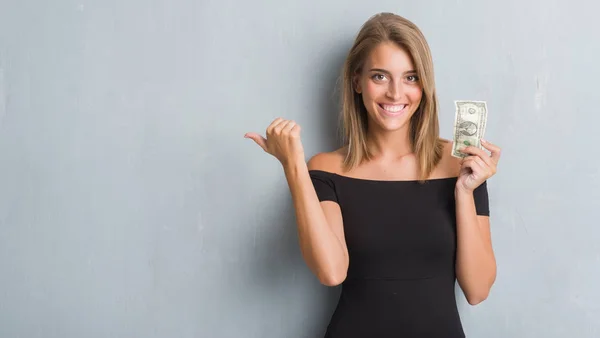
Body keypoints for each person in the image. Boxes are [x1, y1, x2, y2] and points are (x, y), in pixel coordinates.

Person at [244, 12, 501, 338]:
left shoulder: (461, 164)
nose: (396, 93)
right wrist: (293, 166)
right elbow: (331, 271)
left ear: (424, 85)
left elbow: (478, 290)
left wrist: (465, 191)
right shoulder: (326, 169)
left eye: (410, 78)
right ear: (357, 81)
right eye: (380, 76)